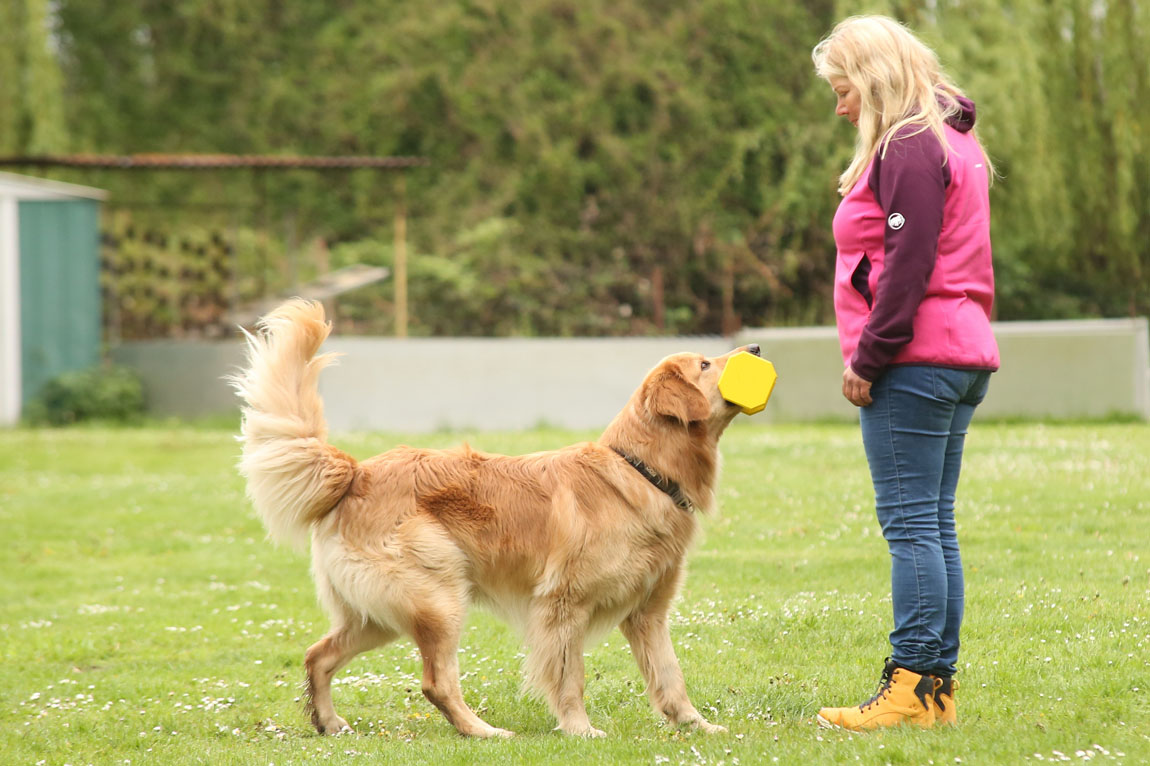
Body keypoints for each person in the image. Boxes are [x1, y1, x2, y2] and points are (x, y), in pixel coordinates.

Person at [810, 15, 1000, 731]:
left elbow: (909, 264)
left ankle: (912, 685)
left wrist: (870, 357)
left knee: (912, 526)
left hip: (915, 358)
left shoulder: (911, 145)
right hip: (960, 350)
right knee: (934, 525)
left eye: (844, 87)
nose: (841, 106)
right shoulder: (953, 138)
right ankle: (933, 692)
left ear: (874, 76)